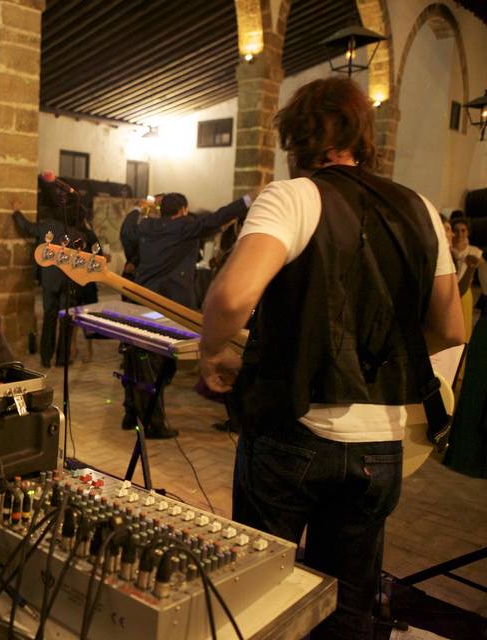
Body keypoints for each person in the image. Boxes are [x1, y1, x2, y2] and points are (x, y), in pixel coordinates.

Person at [200, 77, 465, 639]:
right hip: (382, 444)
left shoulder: (292, 196)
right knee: (348, 606)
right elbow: (449, 326)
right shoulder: (419, 207)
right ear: (363, 136)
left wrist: (213, 350)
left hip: (295, 431)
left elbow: (229, 298)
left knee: (257, 591)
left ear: (294, 137)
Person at [122, 192, 251, 439]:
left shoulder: (147, 225)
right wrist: (246, 201)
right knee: (162, 364)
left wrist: (139, 209)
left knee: (138, 357)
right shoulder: (185, 227)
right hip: (171, 305)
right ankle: (154, 423)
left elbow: (128, 231)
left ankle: (132, 413)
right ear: (183, 209)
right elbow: (217, 218)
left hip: (143, 300)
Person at [11, 177, 87, 368]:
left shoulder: (49, 227)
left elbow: (27, 228)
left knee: (49, 319)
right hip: (69, 283)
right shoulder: (79, 235)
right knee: (66, 321)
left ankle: (46, 358)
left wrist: (16, 212)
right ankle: (62, 359)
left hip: (50, 281)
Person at [450, 217, 487, 339]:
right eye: (456, 230)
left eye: (463, 230)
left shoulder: (474, 251)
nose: (459, 234)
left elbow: (484, 272)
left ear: (468, 232)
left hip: (465, 293)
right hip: (448, 292)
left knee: (463, 330)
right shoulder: (447, 250)